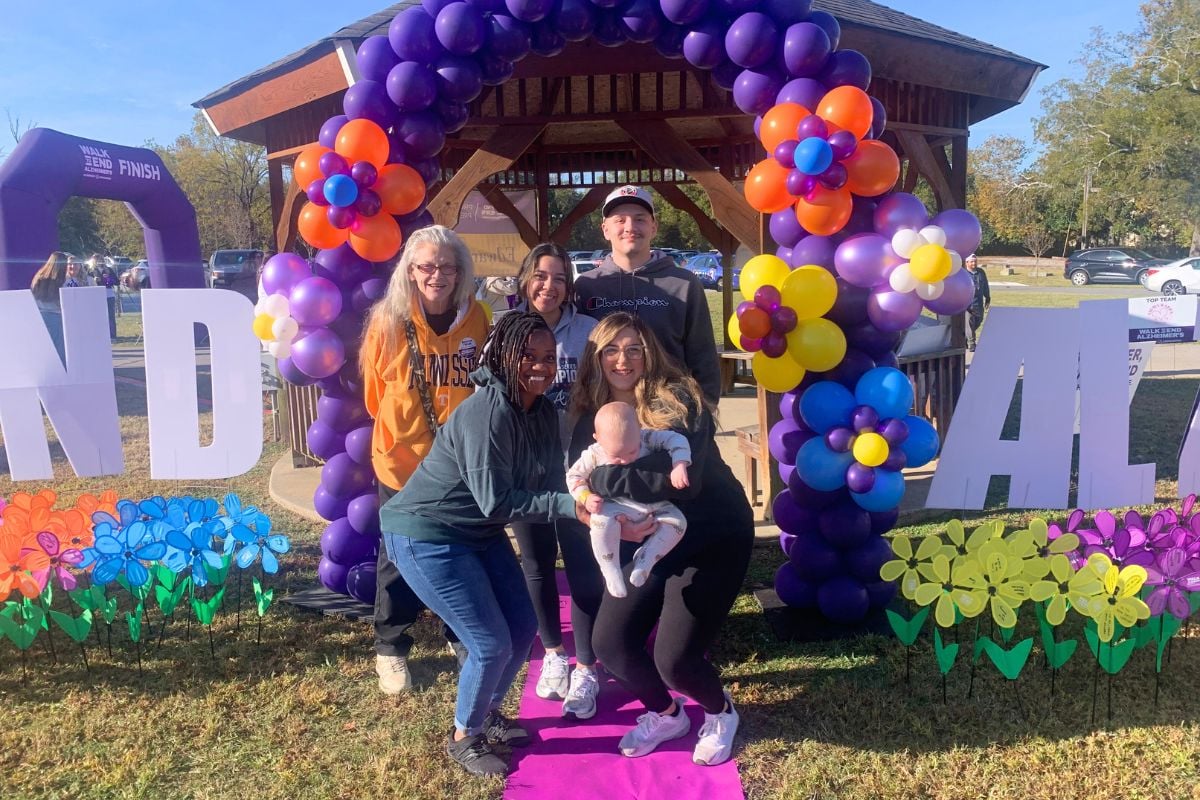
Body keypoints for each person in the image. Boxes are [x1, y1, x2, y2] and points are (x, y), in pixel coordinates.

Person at [380, 311, 586, 777]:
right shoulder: (486, 411)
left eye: (548, 357)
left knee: (521, 627)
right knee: (489, 642)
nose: (540, 366)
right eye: (527, 356)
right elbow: (496, 502)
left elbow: (557, 483)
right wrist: (571, 507)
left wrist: (591, 497)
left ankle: (487, 711)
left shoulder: (545, 412)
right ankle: (464, 736)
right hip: (426, 533)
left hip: (477, 534)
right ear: (502, 356)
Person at [570, 312, 753, 767]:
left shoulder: (678, 403)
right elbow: (577, 487)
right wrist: (588, 506)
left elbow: (675, 484)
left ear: (649, 354)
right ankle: (667, 715)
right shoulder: (590, 417)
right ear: (596, 358)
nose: (623, 358)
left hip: (709, 537)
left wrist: (604, 492)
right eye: (610, 349)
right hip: (648, 541)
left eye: (634, 348)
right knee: (609, 643)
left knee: (675, 660)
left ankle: (720, 713)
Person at [360, 224, 487, 695]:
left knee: (459, 552)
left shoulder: (478, 319)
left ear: (460, 272)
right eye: (427, 266)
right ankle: (391, 648)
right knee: (396, 556)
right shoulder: (387, 322)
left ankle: (458, 633)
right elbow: (375, 396)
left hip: (458, 465)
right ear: (410, 271)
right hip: (402, 463)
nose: (437, 275)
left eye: (447, 267)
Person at [505, 243, 602, 715]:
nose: (550, 286)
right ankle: (553, 654)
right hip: (529, 474)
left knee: (584, 568)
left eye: (560, 277)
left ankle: (586, 668)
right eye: (541, 276)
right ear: (526, 280)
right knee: (537, 566)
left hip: (581, 470)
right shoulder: (504, 334)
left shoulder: (590, 333)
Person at [573, 185, 722, 403]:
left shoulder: (684, 284)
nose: (630, 227)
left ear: (654, 227)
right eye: (620, 220)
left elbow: (704, 359)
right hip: (605, 415)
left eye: (640, 219)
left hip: (671, 415)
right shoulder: (587, 286)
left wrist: (704, 416)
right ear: (605, 229)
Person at [566, 400, 690, 598]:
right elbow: (573, 476)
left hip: (654, 505)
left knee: (678, 523)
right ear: (597, 439)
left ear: (639, 429)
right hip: (617, 506)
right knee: (599, 522)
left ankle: (646, 558)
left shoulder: (646, 437)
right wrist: (585, 496)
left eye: (632, 451)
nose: (625, 461)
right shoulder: (594, 453)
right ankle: (609, 567)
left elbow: (676, 440)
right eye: (616, 457)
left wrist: (679, 464)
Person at [30, 252, 69, 361]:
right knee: (60, 350)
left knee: (44, 350)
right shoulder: (61, 281)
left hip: (40, 317)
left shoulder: (38, 277)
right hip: (56, 317)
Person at [964, 253, 990, 352]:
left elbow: (986, 285)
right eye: (971, 261)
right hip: (967, 304)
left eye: (975, 261)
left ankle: (965, 338)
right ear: (967, 262)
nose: (974, 263)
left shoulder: (980, 272)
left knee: (978, 321)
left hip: (978, 302)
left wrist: (987, 297)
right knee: (969, 323)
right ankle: (972, 344)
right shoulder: (964, 273)